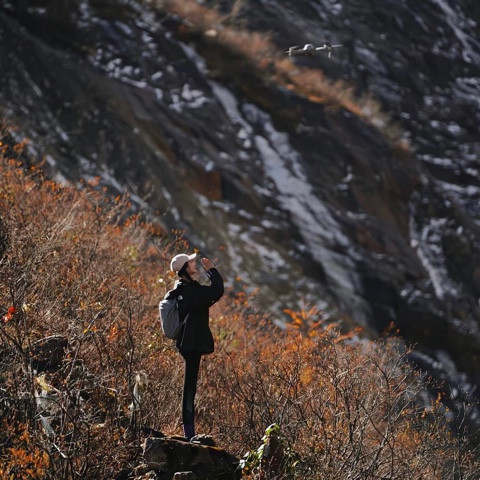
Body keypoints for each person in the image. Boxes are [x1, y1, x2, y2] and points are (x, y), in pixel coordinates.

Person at [169, 252, 224, 440]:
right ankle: (189, 434)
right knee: (189, 388)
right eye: (191, 262)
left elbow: (212, 293)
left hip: (188, 342)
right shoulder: (190, 292)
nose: (194, 264)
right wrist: (212, 271)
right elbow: (217, 291)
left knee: (190, 387)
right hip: (191, 343)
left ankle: (188, 431)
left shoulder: (183, 290)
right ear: (184, 269)